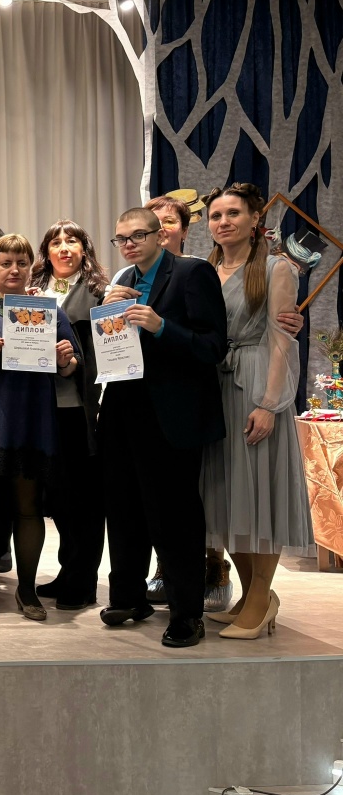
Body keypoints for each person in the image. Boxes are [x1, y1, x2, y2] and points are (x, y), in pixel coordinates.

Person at [98, 207, 227, 648]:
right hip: (122, 407)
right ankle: (129, 597)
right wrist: (106, 318)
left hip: (172, 415)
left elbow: (213, 346)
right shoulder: (123, 281)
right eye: (121, 238)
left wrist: (161, 326)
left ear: (160, 235)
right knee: (123, 509)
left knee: (174, 516)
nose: (129, 244)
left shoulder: (192, 273)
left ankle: (187, 614)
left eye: (138, 235)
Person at [199, 184, 313, 639]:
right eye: (215, 215)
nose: (223, 222)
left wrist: (269, 404)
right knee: (230, 499)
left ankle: (262, 598)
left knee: (260, 496)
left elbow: (282, 340)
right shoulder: (205, 268)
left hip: (255, 385)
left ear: (254, 220)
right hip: (215, 389)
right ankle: (252, 596)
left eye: (233, 213)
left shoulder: (274, 267)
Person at [0, 235, 80, 621]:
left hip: (32, 414)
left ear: (30, 268)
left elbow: (72, 364)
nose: (14, 270)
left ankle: (27, 590)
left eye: (22, 263)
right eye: (5, 262)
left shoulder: (47, 309)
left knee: (29, 505)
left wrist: (65, 358)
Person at [29, 222, 108, 610]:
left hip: (79, 408)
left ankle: (83, 580)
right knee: (57, 499)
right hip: (40, 409)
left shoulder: (99, 293)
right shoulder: (33, 292)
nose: (64, 248)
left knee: (84, 500)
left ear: (84, 249)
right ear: (46, 252)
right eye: (56, 242)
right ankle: (68, 570)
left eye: (71, 241)